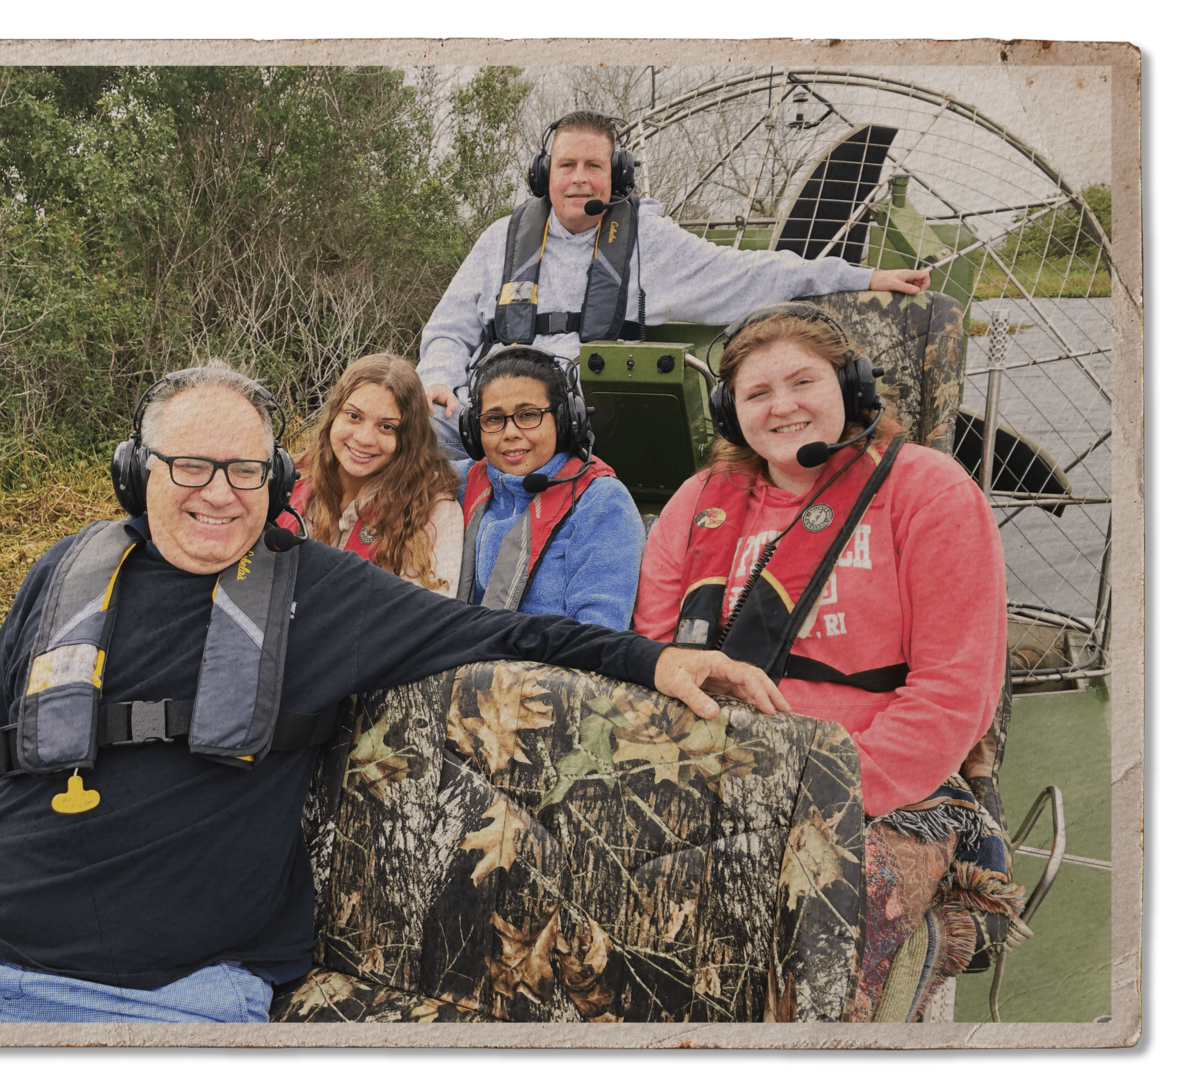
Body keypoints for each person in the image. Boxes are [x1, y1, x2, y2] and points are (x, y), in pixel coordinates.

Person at [0, 365, 788, 1025]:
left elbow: (502, 627)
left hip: (167, 1001)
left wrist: (655, 662)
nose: (219, 494)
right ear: (135, 472)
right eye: (190, 465)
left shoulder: (316, 590)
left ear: (275, 475)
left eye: (244, 469)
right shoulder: (64, 572)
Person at [631, 303, 1017, 1021]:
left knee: (816, 940)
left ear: (853, 387)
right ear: (727, 409)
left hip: (883, 793)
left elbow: (953, 695)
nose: (783, 407)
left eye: (803, 382)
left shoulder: (928, 493)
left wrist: (821, 796)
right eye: (756, 393)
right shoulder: (695, 506)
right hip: (712, 773)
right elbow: (653, 660)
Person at [418, 111, 930, 451]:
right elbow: (449, 328)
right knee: (410, 429)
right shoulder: (500, 241)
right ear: (543, 174)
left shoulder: (649, 241)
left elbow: (750, 275)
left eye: (593, 166)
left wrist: (862, 275)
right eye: (566, 165)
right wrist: (438, 378)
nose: (578, 178)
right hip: (490, 410)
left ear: (615, 175)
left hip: (584, 416)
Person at [455, 346, 644, 631]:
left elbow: (600, 634)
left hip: (550, 670)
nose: (510, 433)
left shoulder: (602, 501)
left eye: (528, 415)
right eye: (494, 419)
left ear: (564, 420)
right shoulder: (461, 481)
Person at [281, 354, 462, 597]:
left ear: (410, 438)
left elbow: (426, 619)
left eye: (387, 427)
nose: (364, 438)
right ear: (334, 415)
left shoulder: (434, 511)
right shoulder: (293, 475)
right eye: (354, 416)